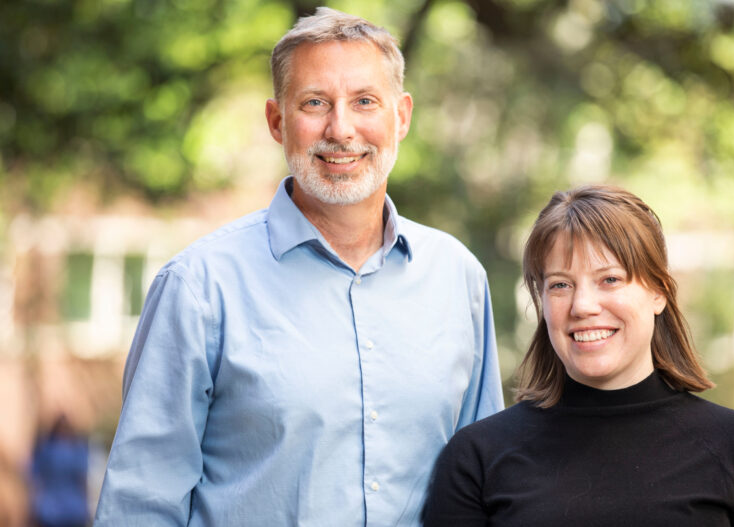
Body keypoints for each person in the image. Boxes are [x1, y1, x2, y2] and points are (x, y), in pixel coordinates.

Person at [93, 7, 503, 526]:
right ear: (276, 120)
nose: (341, 128)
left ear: (400, 116)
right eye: (315, 102)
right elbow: (140, 507)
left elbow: (480, 486)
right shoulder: (199, 287)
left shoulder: (457, 278)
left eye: (364, 102)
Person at [422, 185, 734, 526]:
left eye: (609, 279)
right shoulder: (477, 457)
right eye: (561, 285)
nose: (582, 306)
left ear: (658, 292)